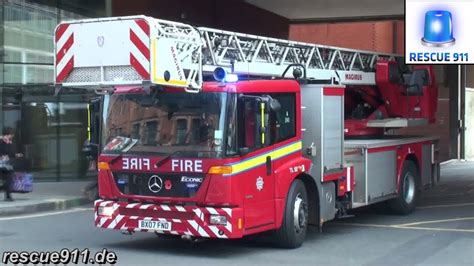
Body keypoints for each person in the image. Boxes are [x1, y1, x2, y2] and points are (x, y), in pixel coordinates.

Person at [0, 127, 17, 201]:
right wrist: (2, 156)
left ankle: (8, 195)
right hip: (1, 163)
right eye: (10, 134)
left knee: (9, 179)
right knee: (5, 180)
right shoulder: (0, 142)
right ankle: (5, 191)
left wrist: (16, 155)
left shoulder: (11, 142)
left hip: (8, 164)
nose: (11, 136)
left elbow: (12, 153)